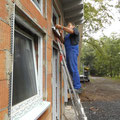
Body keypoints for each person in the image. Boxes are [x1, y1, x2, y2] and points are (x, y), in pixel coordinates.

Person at [56, 22, 82, 94]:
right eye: (67, 25)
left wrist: (61, 27)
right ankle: (75, 86)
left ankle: (78, 87)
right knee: (70, 68)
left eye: (69, 25)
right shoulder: (67, 36)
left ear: (73, 26)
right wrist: (61, 34)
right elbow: (63, 41)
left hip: (73, 50)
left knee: (73, 68)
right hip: (68, 51)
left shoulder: (75, 30)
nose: (68, 26)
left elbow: (70, 31)